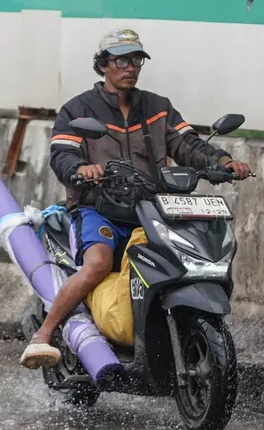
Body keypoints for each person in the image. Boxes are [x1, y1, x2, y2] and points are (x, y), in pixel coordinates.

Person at [20, 29, 252, 369]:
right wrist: (82, 168)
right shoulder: (78, 109)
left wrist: (222, 162)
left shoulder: (158, 107)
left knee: (185, 259)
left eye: (137, 59)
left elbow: (188, 144)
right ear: (103, 65)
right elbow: (62, 154)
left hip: (153, 210)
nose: (131, 67)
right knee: (98, 263)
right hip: (98, 208)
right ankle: (43, 334)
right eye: (122, 60)